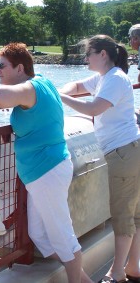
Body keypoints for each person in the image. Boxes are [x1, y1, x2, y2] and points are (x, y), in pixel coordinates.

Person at [0, 42, 92, 283]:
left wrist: (2, 94)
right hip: (42, 172)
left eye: (1, 65)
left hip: (47, 172)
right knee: (39, 235)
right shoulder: (42, 81)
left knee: (62, 236)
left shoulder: (29, 88)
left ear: (20, 68)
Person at [59, 34, 140, 283]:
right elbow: (77, 86)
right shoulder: (104, 77)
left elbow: (94, 109)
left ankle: (116, 274)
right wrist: (63, 90)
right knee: (135, 212)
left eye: (88, 54)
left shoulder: (115, 79)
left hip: (123, 152)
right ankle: (133, 267)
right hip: (129, 150)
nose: (85, 59)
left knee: (123, 214)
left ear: (102, 54)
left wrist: (58, 98)